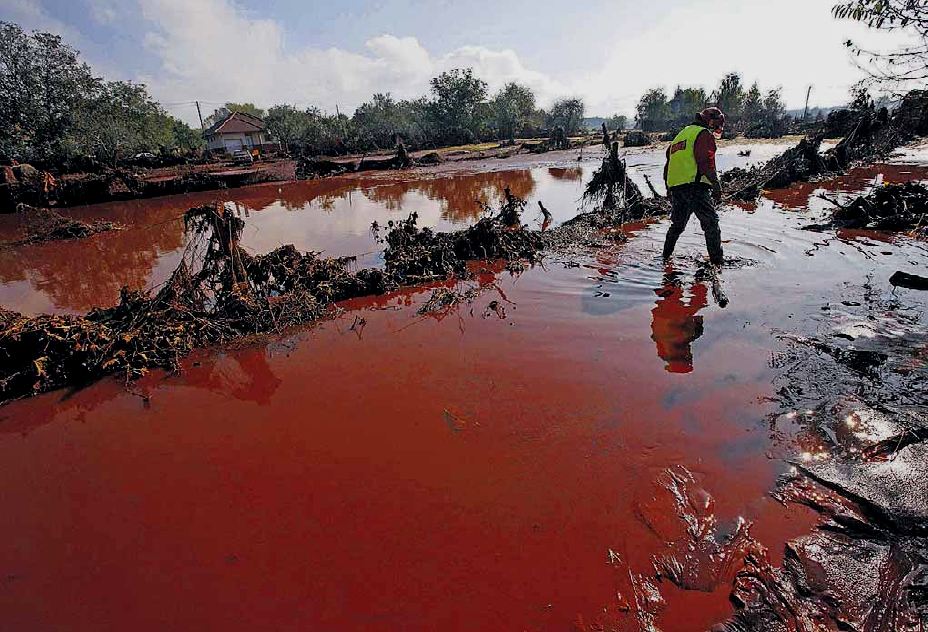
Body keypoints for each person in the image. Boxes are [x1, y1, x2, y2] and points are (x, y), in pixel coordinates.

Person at [662, 107, 726, 265]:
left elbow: (668, 166)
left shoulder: (680, 136)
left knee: (677, 226)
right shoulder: (703, 134)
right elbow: (705, 163)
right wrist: (716, 187)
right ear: (710, 121)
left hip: (677, 188)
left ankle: (664, 258)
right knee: (711, 223)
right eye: (716, 124)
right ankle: (717, 264)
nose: (717, 127)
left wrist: (668, 189)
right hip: (695, 187)